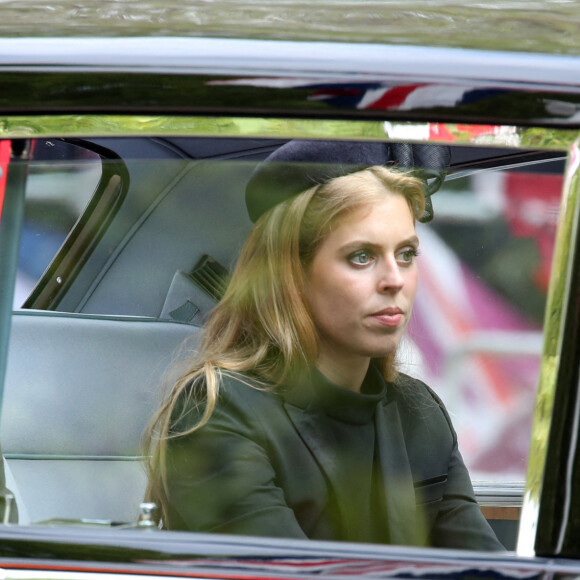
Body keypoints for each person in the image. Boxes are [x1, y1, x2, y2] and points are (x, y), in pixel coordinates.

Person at [144, 140, 504, 551]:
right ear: (291, 274)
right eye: (362, 256)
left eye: (406, 254)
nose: (395, 280)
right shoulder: (217, 411)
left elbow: (483, 566)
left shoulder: (419, 411)